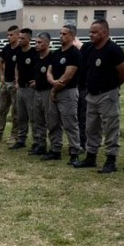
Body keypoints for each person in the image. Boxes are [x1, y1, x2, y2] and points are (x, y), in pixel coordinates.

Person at [73, 19, 124, 173]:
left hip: (107, 95)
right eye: (90, 32)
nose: (90, 35)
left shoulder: (113, 50)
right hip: (91, 95)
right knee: (91, 127)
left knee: (110, 127)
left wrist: (112, 87)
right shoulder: (89, 48)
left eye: (94, 32)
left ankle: (111, 160)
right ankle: (90, 157)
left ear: (104, 33)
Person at [42, 25, 82, 164]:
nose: (61, 36)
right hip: (55, 91)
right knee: (53, 122)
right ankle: (55, 149)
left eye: (64, 34)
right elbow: (49, 71)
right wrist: (53, 83)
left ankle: (74, 152)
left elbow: (68, 75)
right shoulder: (56, 53)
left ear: (72, 36)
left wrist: (55, 87)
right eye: (60, 33)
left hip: (68, 92)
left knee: (70, 123)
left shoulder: (74, 53)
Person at [0, 26, 20, 143]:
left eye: (11, 35)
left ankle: (14, 136)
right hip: (6, 83)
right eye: (8, 35)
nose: (9, 37)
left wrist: (19, 80)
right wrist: (0, 77)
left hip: (16, 85)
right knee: (1, 110)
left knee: (15, 112)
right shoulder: (6, 49)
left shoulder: (21, 49)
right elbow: (0, 64)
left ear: (18, 35)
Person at [11, 28, 37, 150]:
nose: (20, 40)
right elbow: (16, 67)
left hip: (30, 90)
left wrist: (37, 81)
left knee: (33, 117)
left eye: (22, 38)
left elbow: (41, 67)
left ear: (29, 39)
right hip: (20, 89)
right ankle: (21, 139)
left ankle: (37, 141)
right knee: (20, 116)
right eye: (19, 38)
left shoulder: (34, 52)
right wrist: (16, 80)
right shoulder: (19, 52)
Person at [30, 32, 54, 156]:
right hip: (37, 91)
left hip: (48, 91)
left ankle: (55, 147)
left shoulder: (52, 57)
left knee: (50, 120)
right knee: (38, 119)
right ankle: (41, 145)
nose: (36, 45)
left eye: (39, 42)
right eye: (36, 42)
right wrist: (36, 82)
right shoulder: (37, 57)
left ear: (47, 43)